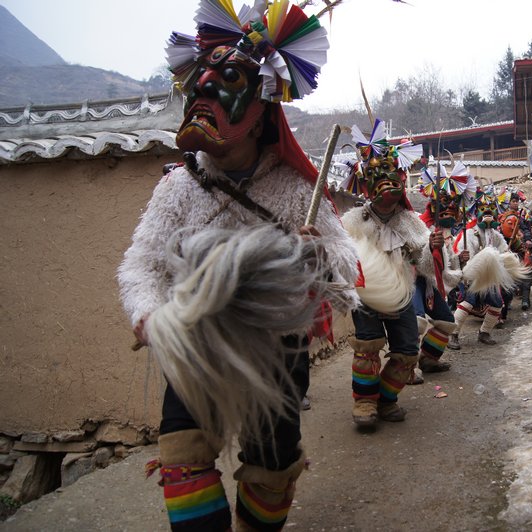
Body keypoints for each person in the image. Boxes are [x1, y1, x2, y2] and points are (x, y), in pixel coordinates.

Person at [118, 3, 360, 529]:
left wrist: (315, 253)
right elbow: (140, 263)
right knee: (182, 454)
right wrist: (150, 317)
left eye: (226, 79)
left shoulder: (297, 189)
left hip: (277, 349)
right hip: (198, 341)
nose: (204, 89)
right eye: (199, 80)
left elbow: (345, 259)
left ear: (260, 106)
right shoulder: (177, 187)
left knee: (271, 466)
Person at [339, 119, 431, 428]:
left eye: (390, 176)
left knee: (406, 351)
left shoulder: (412, 223)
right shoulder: (352, 219)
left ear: (401, 180)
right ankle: (365, 403)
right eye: (376, 177)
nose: (384, 183)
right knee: (367, 347)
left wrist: (430, 250)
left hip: (401, 293)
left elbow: (427, 265)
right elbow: (339, 254)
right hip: (365, 294)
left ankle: (386, 399)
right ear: (365, 185)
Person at [411, 161, 472, 381]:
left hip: (430, 283)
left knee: (446, 320)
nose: (451, 208)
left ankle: (428, 358)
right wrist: (429, 246)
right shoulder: (417, 224)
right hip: (412, 278)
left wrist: (459, 259)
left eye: (454, 203)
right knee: (415, 322)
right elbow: (416, 256)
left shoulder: (447, 231)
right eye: (446, 202)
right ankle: (406, 367)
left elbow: (445, 262)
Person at [449, 187, 523, 348]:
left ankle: (484, 332)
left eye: (491, 209)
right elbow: (458, 255)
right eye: (483, 209)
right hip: (471, 274)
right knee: (468, 302)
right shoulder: (469, 233)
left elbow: (503, 249)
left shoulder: (495, 234)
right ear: (477, 212)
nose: (487, 212)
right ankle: (453, 335)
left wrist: (507, 256)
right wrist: (463, 258)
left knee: (497, 303)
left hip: (488, 276)